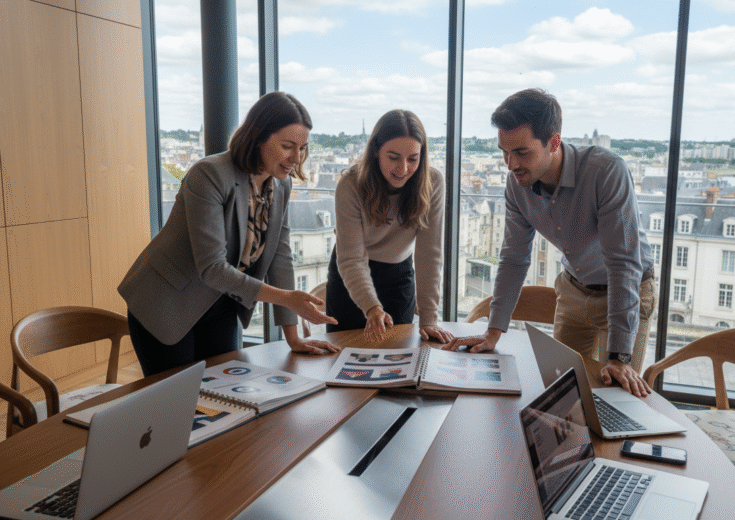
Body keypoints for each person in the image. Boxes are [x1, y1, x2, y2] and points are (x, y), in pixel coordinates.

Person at [445, 88, 656, 398]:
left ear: (553, 142)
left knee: (615, 397)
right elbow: (514, 258)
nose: (510, 164)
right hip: (572, 290)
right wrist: (493, 332)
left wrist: (619, 358)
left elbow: (623, 264)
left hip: (626, 290)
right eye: (504, 151)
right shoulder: (516, 185)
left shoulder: (606, 171)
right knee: (564, 394)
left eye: (521, 152)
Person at [119, 92, 339, 376]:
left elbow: (279, 257)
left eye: (303, 148)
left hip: (220, 301)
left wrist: (293, 337)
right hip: (167, 301)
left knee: (226, 392)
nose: (296, 158)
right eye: (288, 146)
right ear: (259, 136)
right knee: (179, 406)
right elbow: (212, 267)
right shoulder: (209, 174)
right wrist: (286, 298)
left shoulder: (280, 186)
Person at [326, 109, 453, 345]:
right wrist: (372, 307)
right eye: (393, 157)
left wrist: (429, 319)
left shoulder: (433, 182)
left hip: (398, 275)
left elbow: (429, 255)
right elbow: (352, 258)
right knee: (346, 357)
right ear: (376, 151)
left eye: (413, 159)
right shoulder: (350, 185)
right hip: (350, 274)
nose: (403, 168)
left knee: (398, 355)